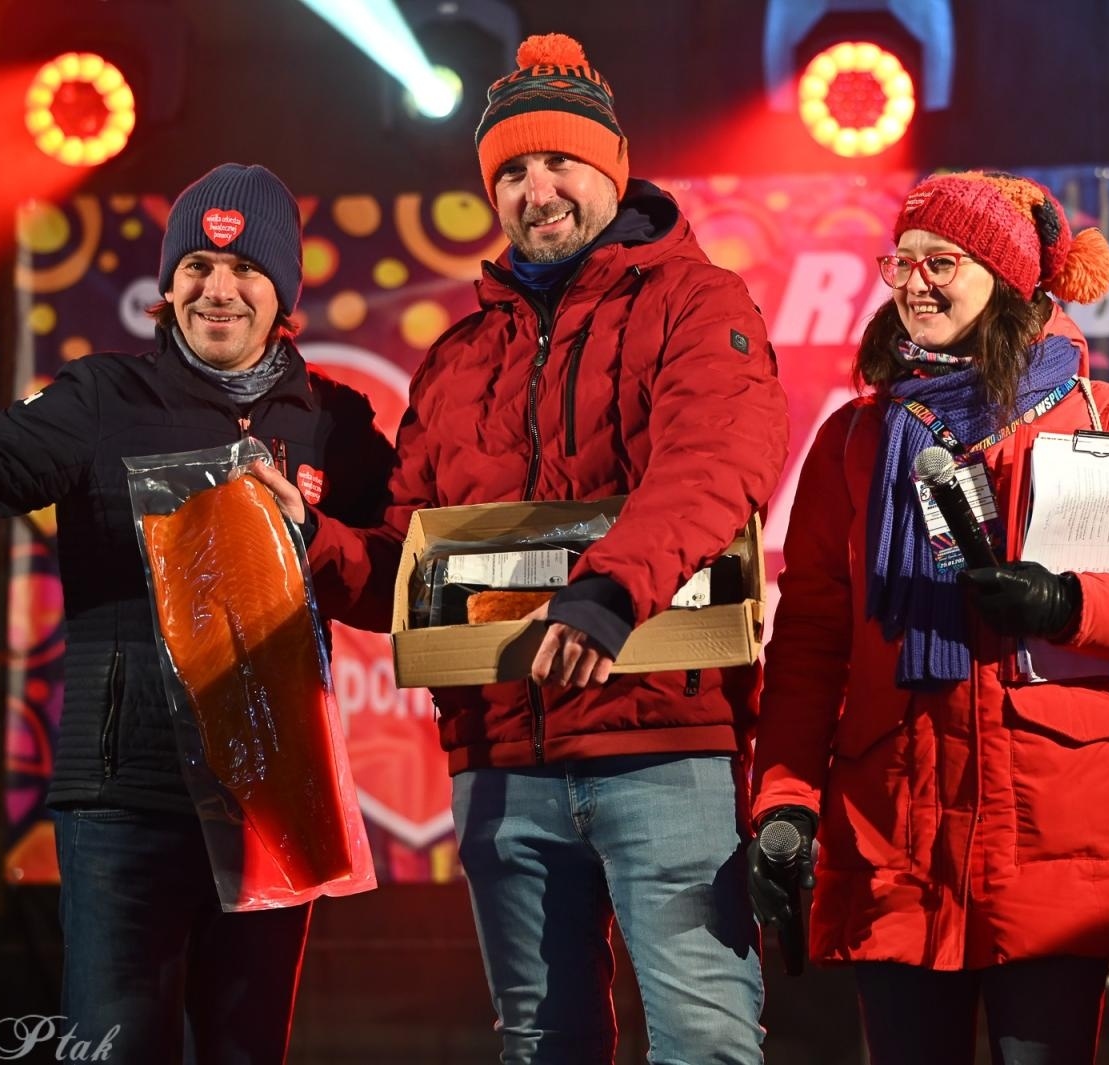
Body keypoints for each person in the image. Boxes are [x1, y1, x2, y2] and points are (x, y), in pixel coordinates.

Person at [303, 31, 789, 1065]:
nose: (537, 188)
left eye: (560, 161)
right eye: (513, 170)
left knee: (702, 1042)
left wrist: (607, 593)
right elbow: (410, 559)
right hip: (501, 758)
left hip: (663, 742)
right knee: (540, 1046)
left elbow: (713, 462)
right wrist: (301, 545)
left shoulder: (698, 302)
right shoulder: (456, 356)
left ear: (611, 168)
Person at [0, 162, 399, 1063]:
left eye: (246, 271)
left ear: (285, 291)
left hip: (273, 804)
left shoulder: (336, 423)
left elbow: (390, 585)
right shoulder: (102, 396)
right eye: (197, 269)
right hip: (121, 806)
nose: (219, 291)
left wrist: (311, 529)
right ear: (168, 284)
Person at [747, 171, 1109, 1065]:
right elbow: (810, 641)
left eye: (944, 262)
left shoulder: (1106, 421)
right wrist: (783, 799)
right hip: (895, 830)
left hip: (1052, 836)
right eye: (903, 260)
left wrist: (1070, 602)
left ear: (1009, 280)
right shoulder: (855, 439)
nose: (913, 283)